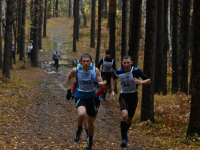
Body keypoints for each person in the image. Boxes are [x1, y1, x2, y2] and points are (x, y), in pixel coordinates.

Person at [66, 53, 105, 149]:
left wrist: (96, 82)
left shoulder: (95, 70)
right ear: (81, 62)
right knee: (82, 114)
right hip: (80, 96)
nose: (86, 63)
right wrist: (69, 90)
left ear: (91, 61)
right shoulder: (76, 70)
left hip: (91, 98)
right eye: (84, 61)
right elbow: (68, 77)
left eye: (88, 61)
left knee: (91, 121)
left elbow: (102, 85)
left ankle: (90, 141)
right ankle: (79, 130)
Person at [111, 55, 151, 148]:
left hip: (133, 97)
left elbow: (149, 81)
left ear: (131, 62)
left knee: (129, 120)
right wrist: (112, 90)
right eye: (124, 63)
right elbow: (113, 78)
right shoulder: (118, 71)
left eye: (128, 62)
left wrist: (140, 82)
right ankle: (123, 139)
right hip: (123, 96)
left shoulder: (136, 71)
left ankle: (125, 132)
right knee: (124, 115)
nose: (126, 64)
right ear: (122, 63)